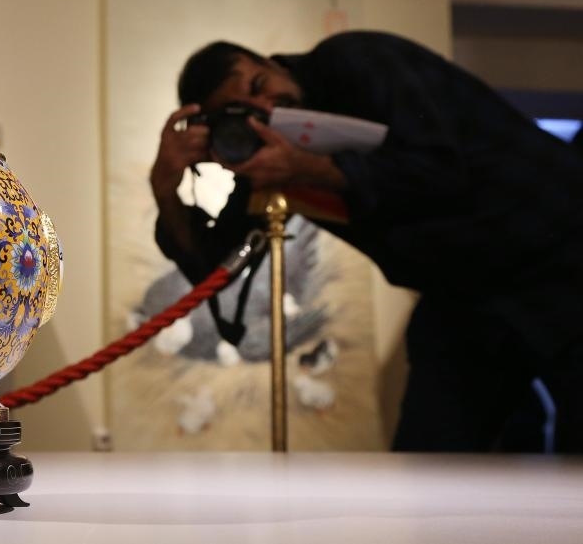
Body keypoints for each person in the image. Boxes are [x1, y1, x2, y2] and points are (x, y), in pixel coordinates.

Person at [150, 31, 583, 453]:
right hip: (462, 291)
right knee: (430, 463)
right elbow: (213, 268)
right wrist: (166, 187)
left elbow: (441, 171)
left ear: (270, 62)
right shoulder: (267, 151)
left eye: (260, 85)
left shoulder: (354, 61)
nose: (267, 107)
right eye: (241, 112)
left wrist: (313, 169)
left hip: (560, 253)